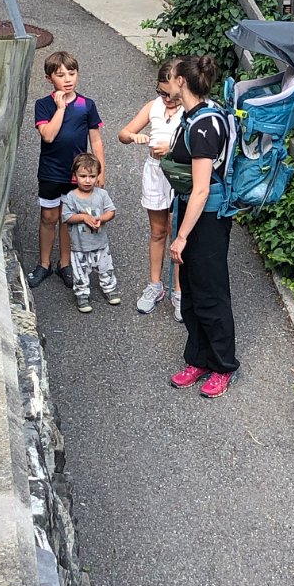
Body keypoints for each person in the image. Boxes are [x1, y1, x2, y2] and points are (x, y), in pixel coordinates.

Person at [166, 55, 240, 398]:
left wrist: (181, 237)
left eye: (170, 77)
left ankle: (223, 365)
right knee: (193, 290)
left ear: (182, 81)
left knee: (210, 292)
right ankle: (198, 358)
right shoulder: (198, 113)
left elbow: (201, 189)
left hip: (207, 217)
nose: (167, 83)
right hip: (193, 211)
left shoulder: (204, 126)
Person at [27, 51, 105, 289]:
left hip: (76, 174)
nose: (68, 79)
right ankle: (44, 264)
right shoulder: (43, 105)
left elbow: (96, 140)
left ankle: (65, 264)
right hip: (50, 171)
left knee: (68, 218)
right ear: (49, 78)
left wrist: (100, 171)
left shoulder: (86, 105)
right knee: (48, 216)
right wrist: (60, 108)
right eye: (60, 75)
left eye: (71, 73)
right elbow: (48, 136)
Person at [118, 62, 184, 321]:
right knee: (157, 232)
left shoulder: (190, 109)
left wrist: (172, 147)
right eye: (161, 92)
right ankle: (155, 285)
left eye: (171, 95)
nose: (166, 99)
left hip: (178, 173)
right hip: (155, 171)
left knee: (177, 234)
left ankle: (179, 291)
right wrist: (133, 137)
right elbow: (123, 133)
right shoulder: (153, 106)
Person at [61, 153, 120, 313]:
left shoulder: (102, 194)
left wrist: (102, 218)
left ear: (97, 176)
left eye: (92, 176)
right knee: (80, 272)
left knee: (106, 268)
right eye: (83, 176)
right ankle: (82, 295)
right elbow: (66, 217)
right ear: (75, 176)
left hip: (100, 244)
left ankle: (109, 289)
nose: (87, 180)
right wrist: (83, 217)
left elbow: (111, 211)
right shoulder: (71, 197)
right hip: (79, 246)